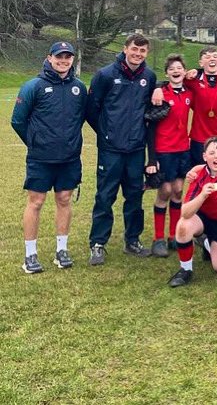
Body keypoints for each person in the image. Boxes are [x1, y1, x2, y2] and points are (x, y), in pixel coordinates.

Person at [11, 41, 87, 273]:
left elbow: (80, 117)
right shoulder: (33, 86)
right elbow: (18, 121)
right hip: (41, 158)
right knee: (36, 202)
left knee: (64, 199)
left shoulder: (79, 87)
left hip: (69, 158)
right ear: (49, 58)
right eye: (59, 56)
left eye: (68, 57)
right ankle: (30, 255)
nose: (63, 61)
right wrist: (36, 143)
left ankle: (61, 250)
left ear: (72, 60)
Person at [86, 33, 156, 265]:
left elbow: (150, 108)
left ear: (146, 53)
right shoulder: (105, 75)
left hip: (136, 148)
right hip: (111, 148)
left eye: (142, 50)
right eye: (134, 49)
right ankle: (98, 243)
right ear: (125, 49)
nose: (137, 54)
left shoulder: (149, 76)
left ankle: (132, 240)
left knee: (135, 195)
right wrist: (106, 133)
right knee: (105, 196)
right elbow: (92, 110)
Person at [167, 136, 217, 287]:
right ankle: (186, 269)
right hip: (202, 218)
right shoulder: (199, 175)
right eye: (211, 153)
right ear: (204, 156)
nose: (216, 156)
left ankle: (205, 242)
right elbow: (184, 212)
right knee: (183, 226)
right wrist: (203, 195)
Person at [145, 54, 192, 257]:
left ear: (184, 71)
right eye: (171, 68)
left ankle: (174, 236)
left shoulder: (189, 93)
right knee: (164, 191)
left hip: (183, 149)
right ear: (166, 73)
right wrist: (152, 159)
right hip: (163, 150)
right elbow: (150, 128)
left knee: (179, 190)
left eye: (179, 68)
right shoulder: (160, 94)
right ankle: (158, 238)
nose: (175, 71)